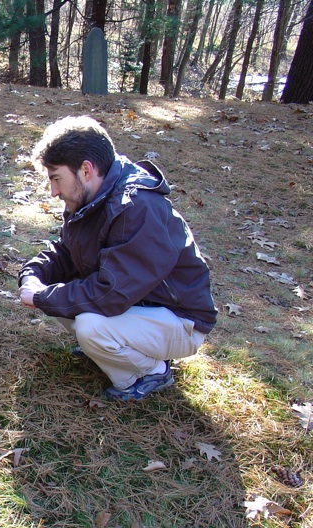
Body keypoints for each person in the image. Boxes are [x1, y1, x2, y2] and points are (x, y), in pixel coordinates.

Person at [18, 116, 216, 401]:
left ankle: (150, 371)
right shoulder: (91, 197)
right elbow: (67, 250)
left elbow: (110, 293)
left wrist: (41, 297)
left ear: (86, 170)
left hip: (180, 321)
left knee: (89, 326)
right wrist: (33, 274)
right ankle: (116, 349)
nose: (53, 191)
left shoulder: (136, 207)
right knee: (66, 302)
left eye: (56, 178)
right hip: (140, 306)